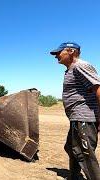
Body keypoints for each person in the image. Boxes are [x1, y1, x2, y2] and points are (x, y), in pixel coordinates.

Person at [50, 42, 100, 180]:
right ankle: (74, 176)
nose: (56, 57)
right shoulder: (71, 69)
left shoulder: (80, 66)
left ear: (71, 51)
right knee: (71, 147)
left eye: (58, 53)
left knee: (85, 153)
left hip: (84, 117)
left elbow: (98, 90)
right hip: (77, 117)